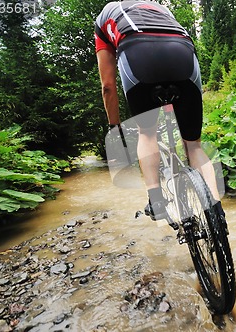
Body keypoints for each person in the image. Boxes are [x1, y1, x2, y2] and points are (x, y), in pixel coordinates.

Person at [94, 0, 224, 221]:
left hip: (137, 51)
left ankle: (156, 201)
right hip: (182, 50)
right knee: (193, 144)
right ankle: (216, 210)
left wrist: (114, 127)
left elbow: (108, 86)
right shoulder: (160, 8)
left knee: (147, 133)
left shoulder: (105, 16)